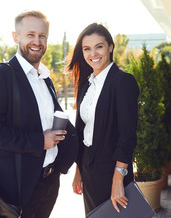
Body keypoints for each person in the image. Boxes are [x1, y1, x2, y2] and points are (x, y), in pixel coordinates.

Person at [0, 10, 78, 218]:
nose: (37, 41)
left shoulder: (46, 79)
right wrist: (39, 141)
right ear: (16, 37)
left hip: (48, 183)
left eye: (42, 36)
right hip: (14, 189)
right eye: (30, 35)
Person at [67, 23, 139, 214]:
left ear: (110, 47)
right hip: (89, 170)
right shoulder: (86, 85)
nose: (93, 54)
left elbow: (127, 136)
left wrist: (118, 180)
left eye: (99, 46)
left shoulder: (123, 82)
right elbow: (83, 132)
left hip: (113, 170)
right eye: (87, 49)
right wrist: (78, 171)